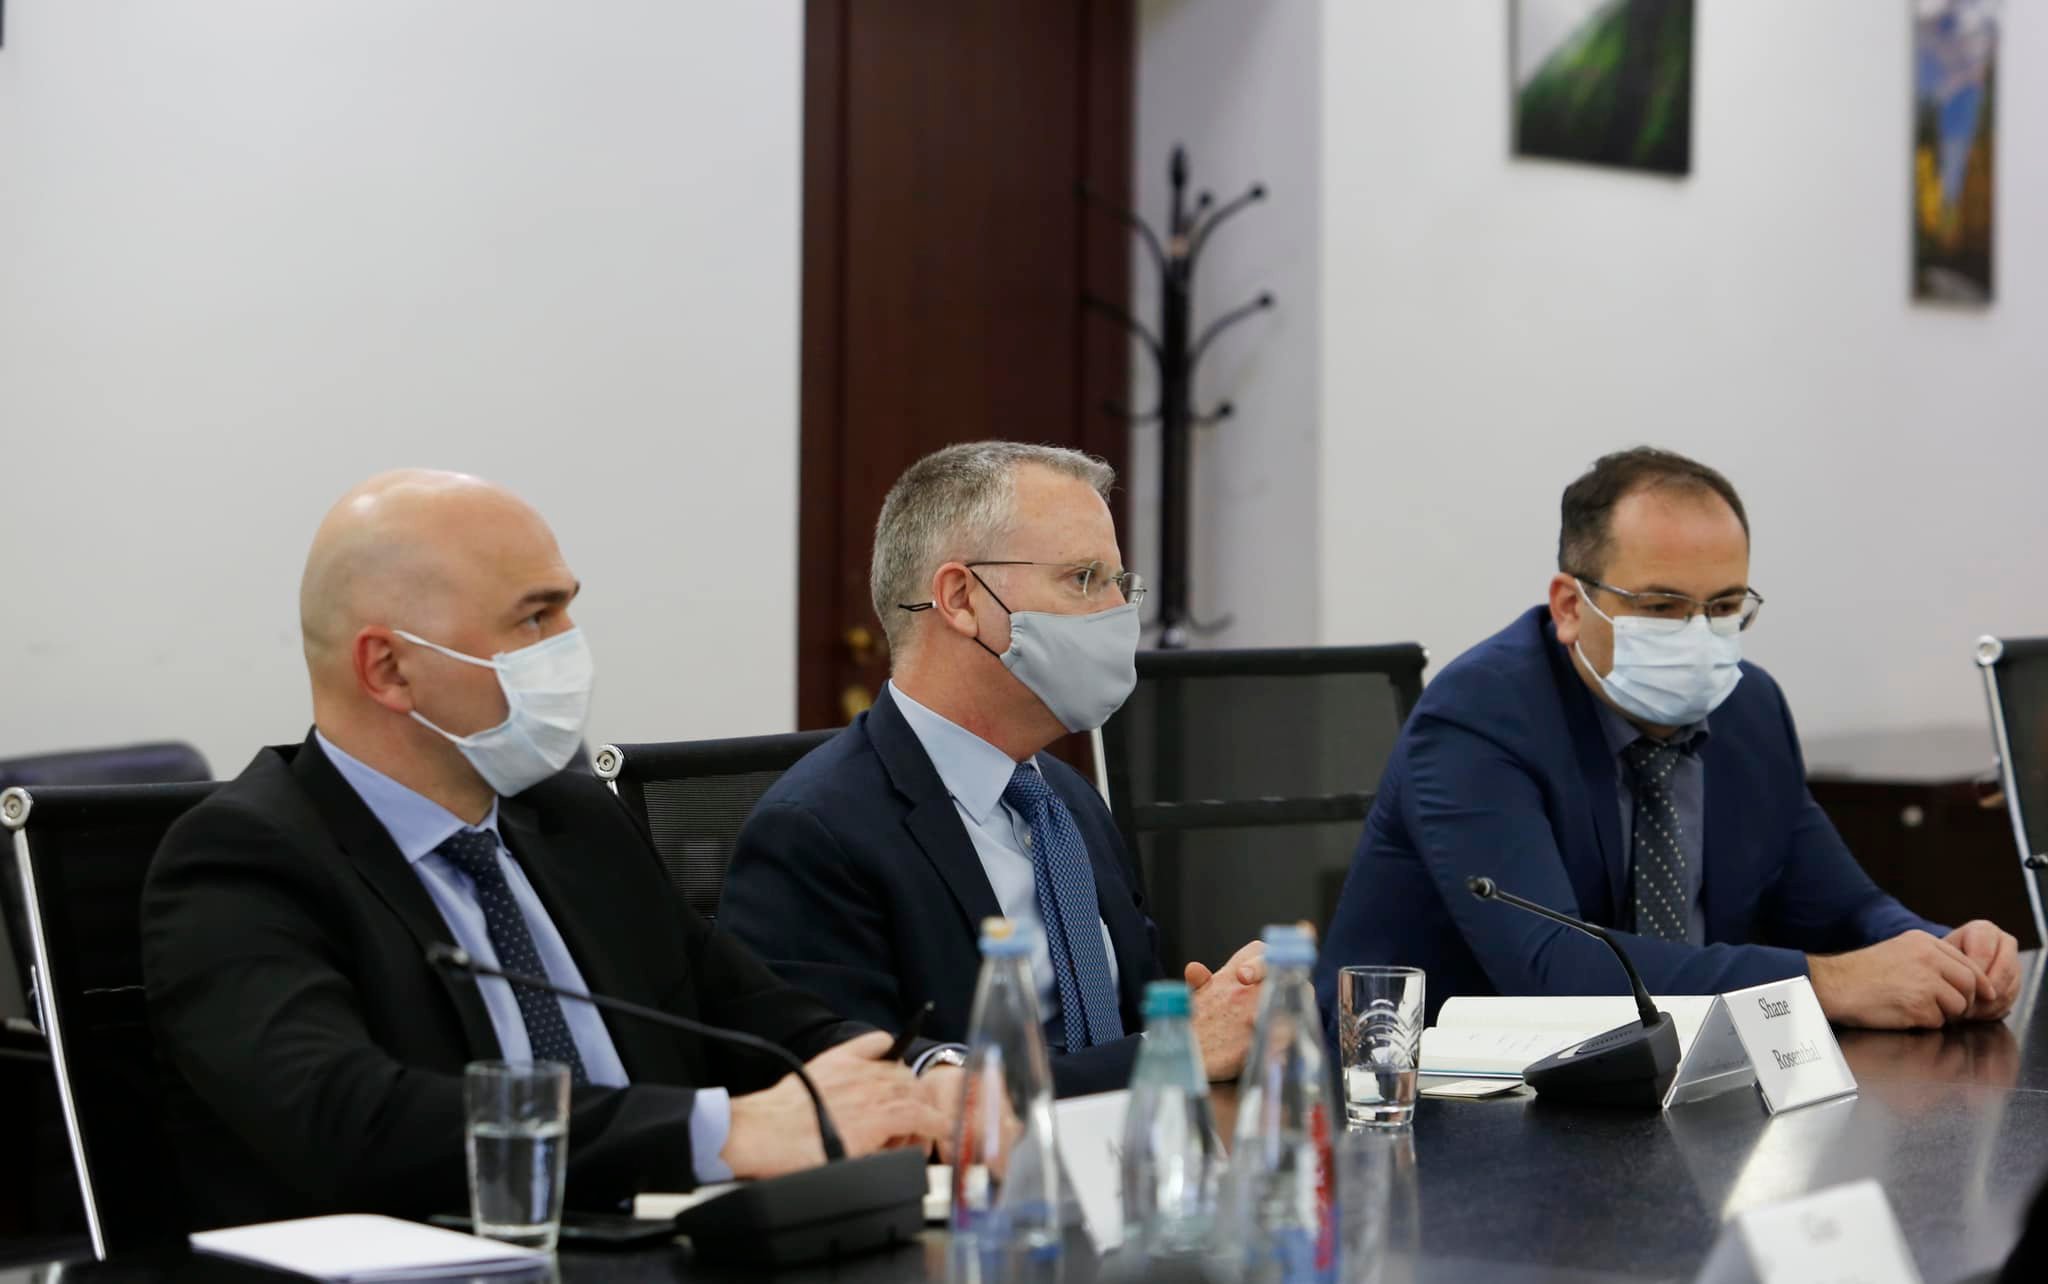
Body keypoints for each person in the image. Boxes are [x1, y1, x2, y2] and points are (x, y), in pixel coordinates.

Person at [143, 470, 949, 1230]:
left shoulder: (572, 821)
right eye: (534, 619)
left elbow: (757, 1017)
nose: (569, 647)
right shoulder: (242, 861)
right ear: (388, 668)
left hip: (671, 1247)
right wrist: (721, 1132)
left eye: (566, 611)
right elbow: (351, 1119)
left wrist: (922, 1079)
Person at [1316, 447, 2020, 1028]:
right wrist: (1827, 984)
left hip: (1673, 1092)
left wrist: (1941, 952)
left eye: (1724, 606)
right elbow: (1556, 972)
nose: (1698, 635)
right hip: (1434, 1104)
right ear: (1570, 606)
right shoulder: (1478, 719)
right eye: (1661, 606)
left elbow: (1845, 909)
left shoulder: (1749, 709)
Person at [718, 441, 1264, 1097]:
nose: (1118, 615)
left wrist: (1218, 1012)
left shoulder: (1066, 800)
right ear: (961, 598)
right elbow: (865, 1098)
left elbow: (1127, 1034)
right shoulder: (813, 833)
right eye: (1083, 579)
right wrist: (1176, 1051)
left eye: (1120, 585)